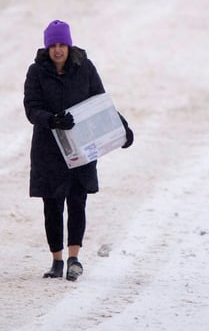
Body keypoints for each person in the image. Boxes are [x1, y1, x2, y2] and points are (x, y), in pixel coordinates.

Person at [23, 20, 133, 281]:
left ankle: (74, 259)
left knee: (76, 201)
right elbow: (31, 107)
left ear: (69, 45)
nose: (58, 50)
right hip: (48, 150)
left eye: (62, 44)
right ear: (47, 47)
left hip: (81, 147)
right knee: (52, 205)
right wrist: (51, 120)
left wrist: (123, 129)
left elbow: (101, 102)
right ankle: (57, 261)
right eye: (53, 45)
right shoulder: (36, 72)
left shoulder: (85, 68)